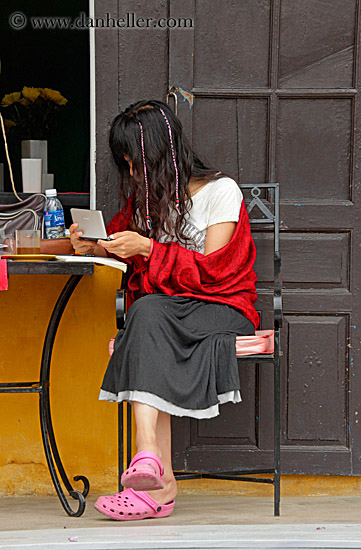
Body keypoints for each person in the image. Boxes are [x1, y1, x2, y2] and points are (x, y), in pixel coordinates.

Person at [69, 99, 259, 521]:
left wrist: (151, 249)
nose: (132, 174)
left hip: (223, 307)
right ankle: (152, 467)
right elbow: (123, 240)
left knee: (146, 318)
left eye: (135, 163)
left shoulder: (221, 191)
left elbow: (216, 273)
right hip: (168, 314)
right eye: (126, 166)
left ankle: (157, 476)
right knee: (149, 314)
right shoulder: (148, 202)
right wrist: (95, 244)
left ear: (158, 155)